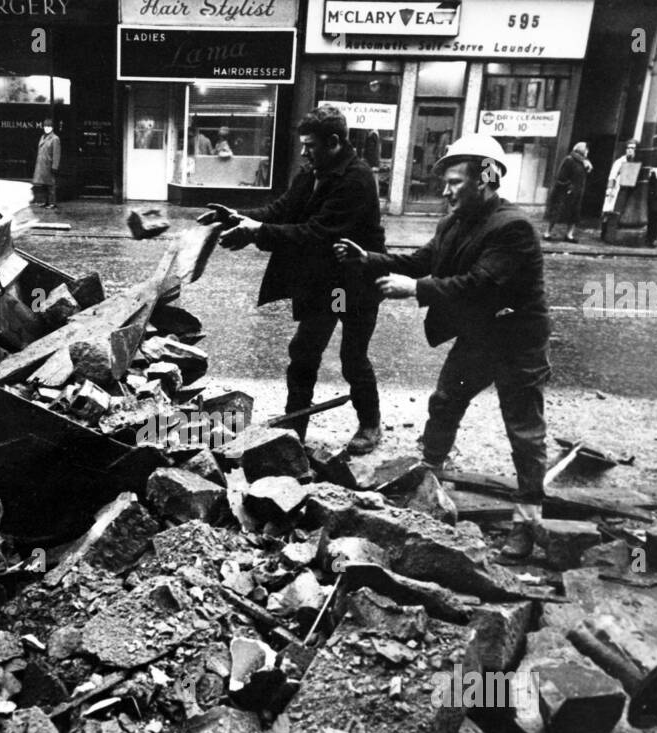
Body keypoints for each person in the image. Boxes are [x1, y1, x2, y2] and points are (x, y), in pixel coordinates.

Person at [334, 133, 551, 558]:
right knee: (445, 400)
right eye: (446, 182)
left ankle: (528, 520)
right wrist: (370, 259)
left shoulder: (514, 228)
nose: (446, 191)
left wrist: (415, 288)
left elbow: (480, 285)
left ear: (486, 179)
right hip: (479, 336)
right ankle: (429, 479)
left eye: (455, 182)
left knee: (523, 429)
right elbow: (421, 262)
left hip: (516, 340)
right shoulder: (453, 222)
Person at [200, 106, 385, 454]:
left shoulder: (357, 179)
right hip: (326, 283)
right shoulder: (312, 172)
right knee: (304, 351)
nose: (303, 151)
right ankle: (293, 427)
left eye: (310, 145)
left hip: (350, 287)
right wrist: (236, 218)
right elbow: (279, 211)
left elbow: (317, 234)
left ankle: (371, 423)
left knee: (352, 356)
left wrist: (257, 234)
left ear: (333, 142)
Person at [544, 141, 591, 242]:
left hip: (577, 192)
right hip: (565, 192)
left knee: (574, 214)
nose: (587, 151)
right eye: (586, 149)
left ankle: (569, 235)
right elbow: (561, 176)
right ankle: (547, 232)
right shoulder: (569, 160)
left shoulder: (584, 162)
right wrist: (568, 186)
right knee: (556, 212)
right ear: (581, 150)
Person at [603, 138, 638, 214]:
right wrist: (609, 189)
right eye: (628, 148)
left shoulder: (637, 162)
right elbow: (612, 176)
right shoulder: (620, 161)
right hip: (618, 189)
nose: (629, 150)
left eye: (632, 148)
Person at [33, 119, 61, 209]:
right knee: (43, 184)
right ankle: (45, 201)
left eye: (48, 126)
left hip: (49, 165)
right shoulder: (42, 137)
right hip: (42, 165)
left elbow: (56, 154)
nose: (46, 128)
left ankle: (52, 203)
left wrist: (55, 166)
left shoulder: (55, 138)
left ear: (52, 128)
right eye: (45, 126)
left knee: (51, 185)